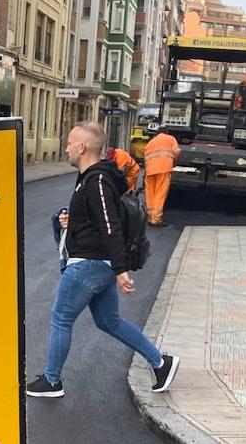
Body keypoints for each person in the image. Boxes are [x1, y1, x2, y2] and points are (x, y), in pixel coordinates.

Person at [26, 122, 179, 399]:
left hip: (89, 264)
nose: (67, 148)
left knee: (61, 317)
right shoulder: (94, 178)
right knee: (109, 320)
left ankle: (52, 381)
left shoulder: (96, 180)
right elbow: (97, 218)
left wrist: (120, 269)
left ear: (82, 147)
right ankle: (160, 363)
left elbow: (110, 225)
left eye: (70, 143)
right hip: (98, 263)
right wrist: (70, 221)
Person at [143, 127, 180, 227]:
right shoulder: (170, 138)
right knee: (160, 192)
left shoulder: (150, 142)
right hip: (163, 169)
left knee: (150, 192)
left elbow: (145, 156)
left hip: (150, 170)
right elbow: (176, 152)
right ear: (166, 132)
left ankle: (150, 216)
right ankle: (156, 219)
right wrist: (174, 162)